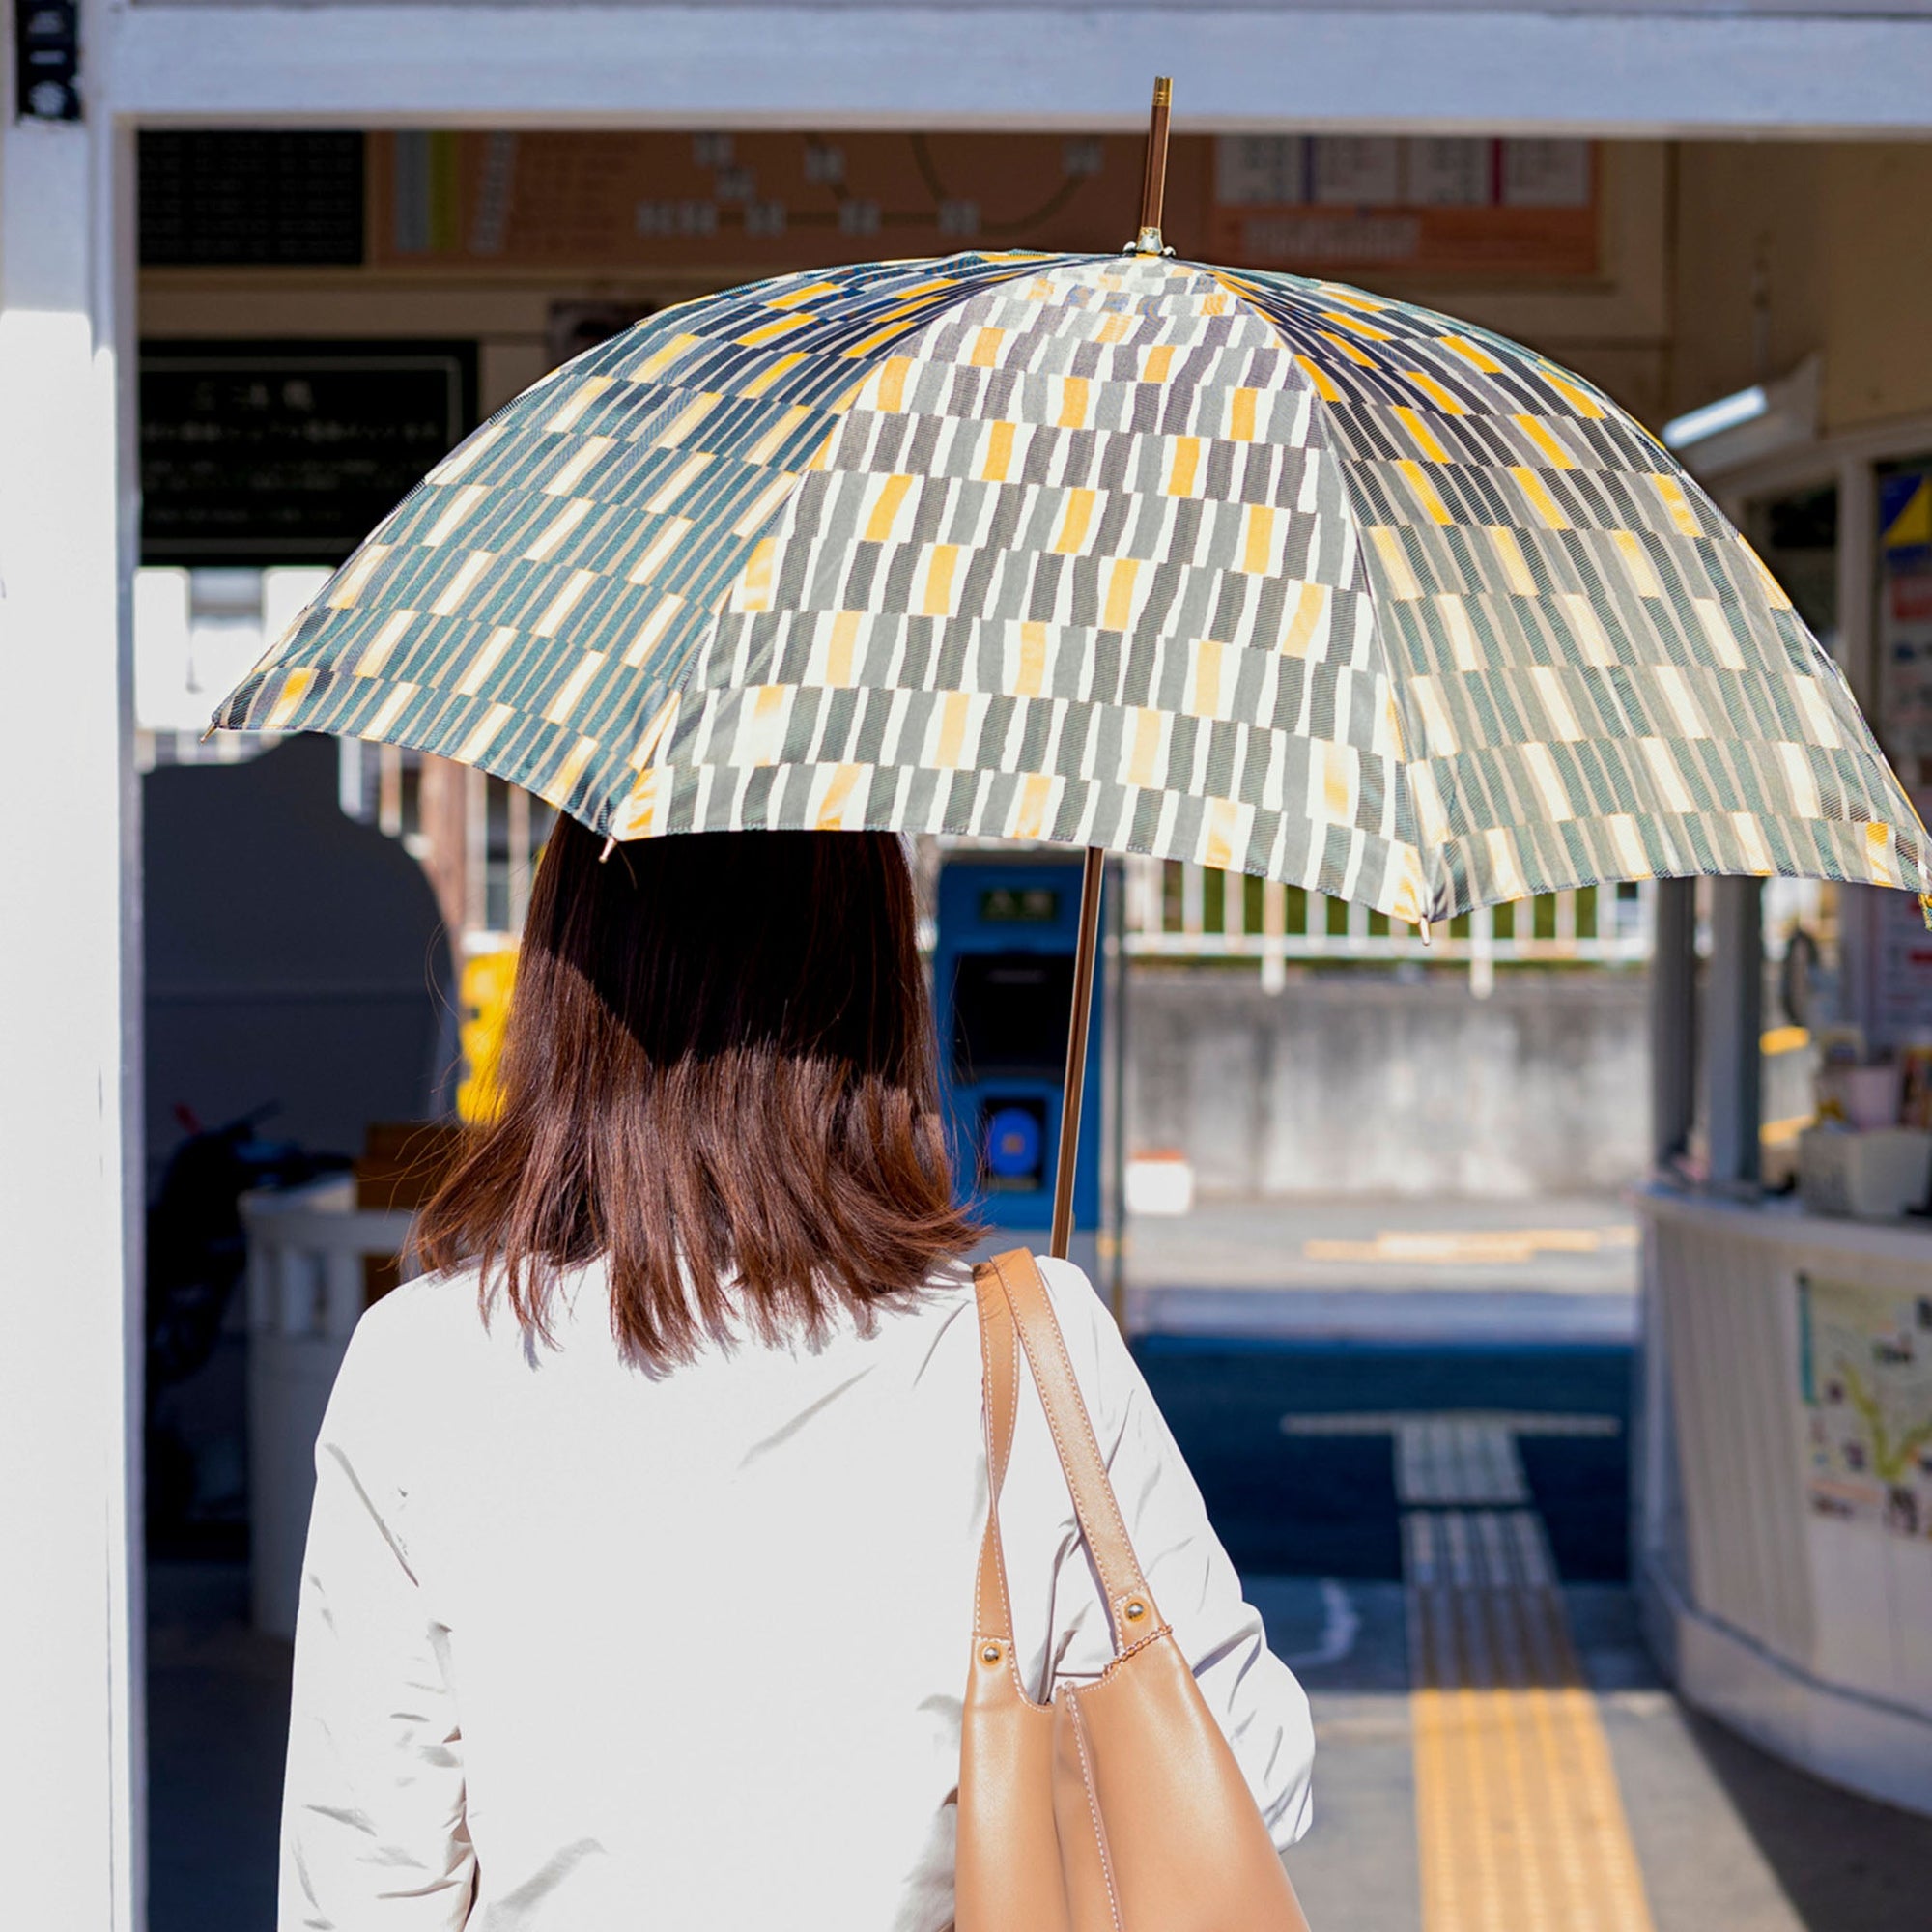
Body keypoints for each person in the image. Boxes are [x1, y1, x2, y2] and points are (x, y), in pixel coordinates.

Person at [279, 820, 1315, 1930]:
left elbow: (365, 1882)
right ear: (877, 986)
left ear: (563, 983)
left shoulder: (423, 1367)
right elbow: (1249, 1776)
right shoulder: (1018, 1349)